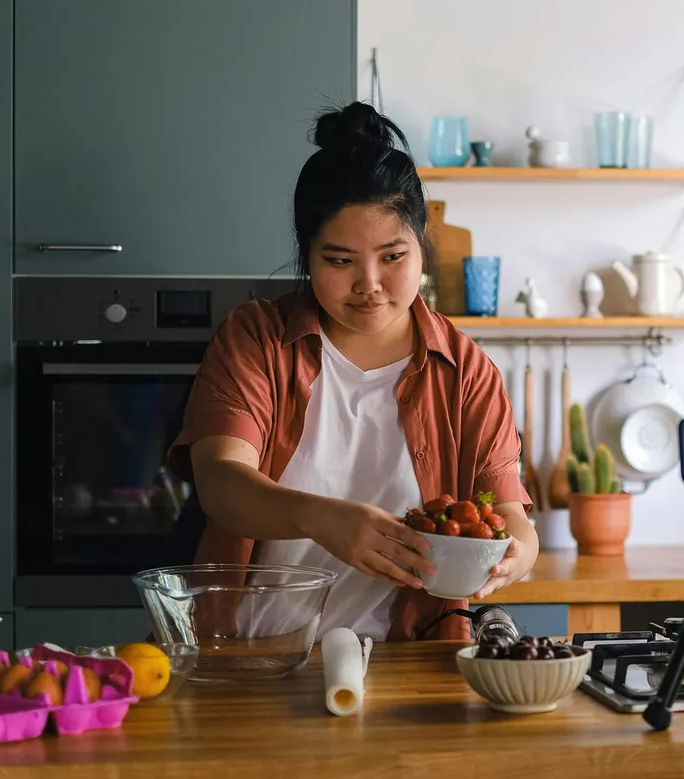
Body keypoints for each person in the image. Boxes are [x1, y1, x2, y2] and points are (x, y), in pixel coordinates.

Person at [165, 102, 538, 642]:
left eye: (392, 256)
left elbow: (509, 514)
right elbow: (222, 483)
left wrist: (517, 555)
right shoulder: (256, 340)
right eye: (340, 261)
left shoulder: (466, 370)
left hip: (407, 666)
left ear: (421, 247)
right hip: (251, 658)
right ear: (307, 255)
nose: (369, 284)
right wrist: (324, 519)